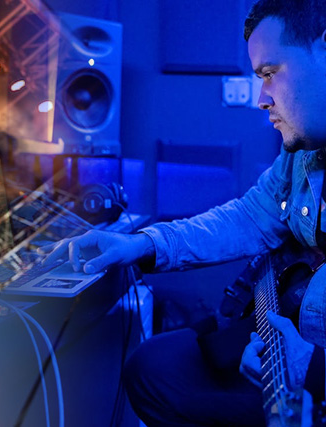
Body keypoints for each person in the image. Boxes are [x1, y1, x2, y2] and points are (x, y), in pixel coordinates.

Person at [41, 0, 326, 425]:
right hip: (293, 335)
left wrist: (313, 370)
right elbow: (252, 215)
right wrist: (139, 244)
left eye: (270, 73)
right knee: (150, 366)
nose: (261, 99)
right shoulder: (304, 150)